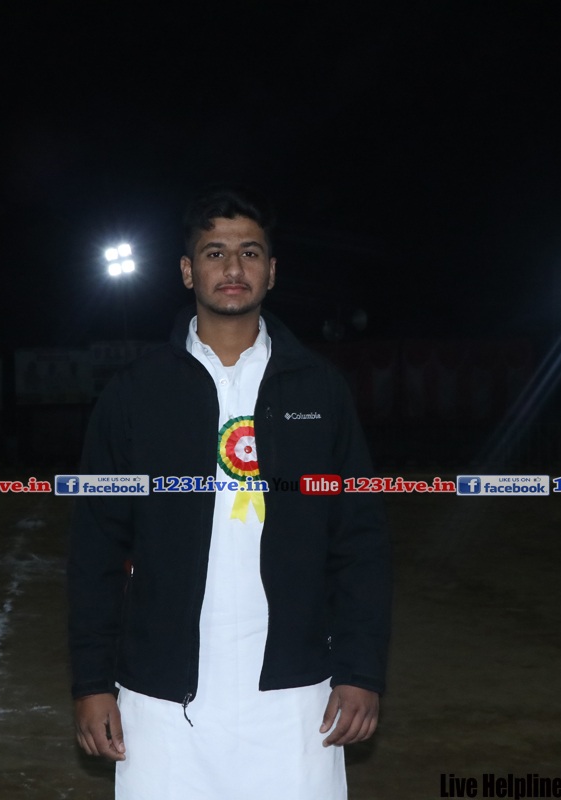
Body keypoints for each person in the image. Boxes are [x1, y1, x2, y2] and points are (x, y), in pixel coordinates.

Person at [68, 187, 390, 799]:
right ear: (188, 271)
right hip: (161, 701)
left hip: (298, 697)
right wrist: (91, 683)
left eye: (250, 252)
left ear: (272, 270)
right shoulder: (134, 393)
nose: (233, 267)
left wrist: (361, 670)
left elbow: (360, 542)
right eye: (214, 253)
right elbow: (96, 548)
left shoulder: (320, 390)